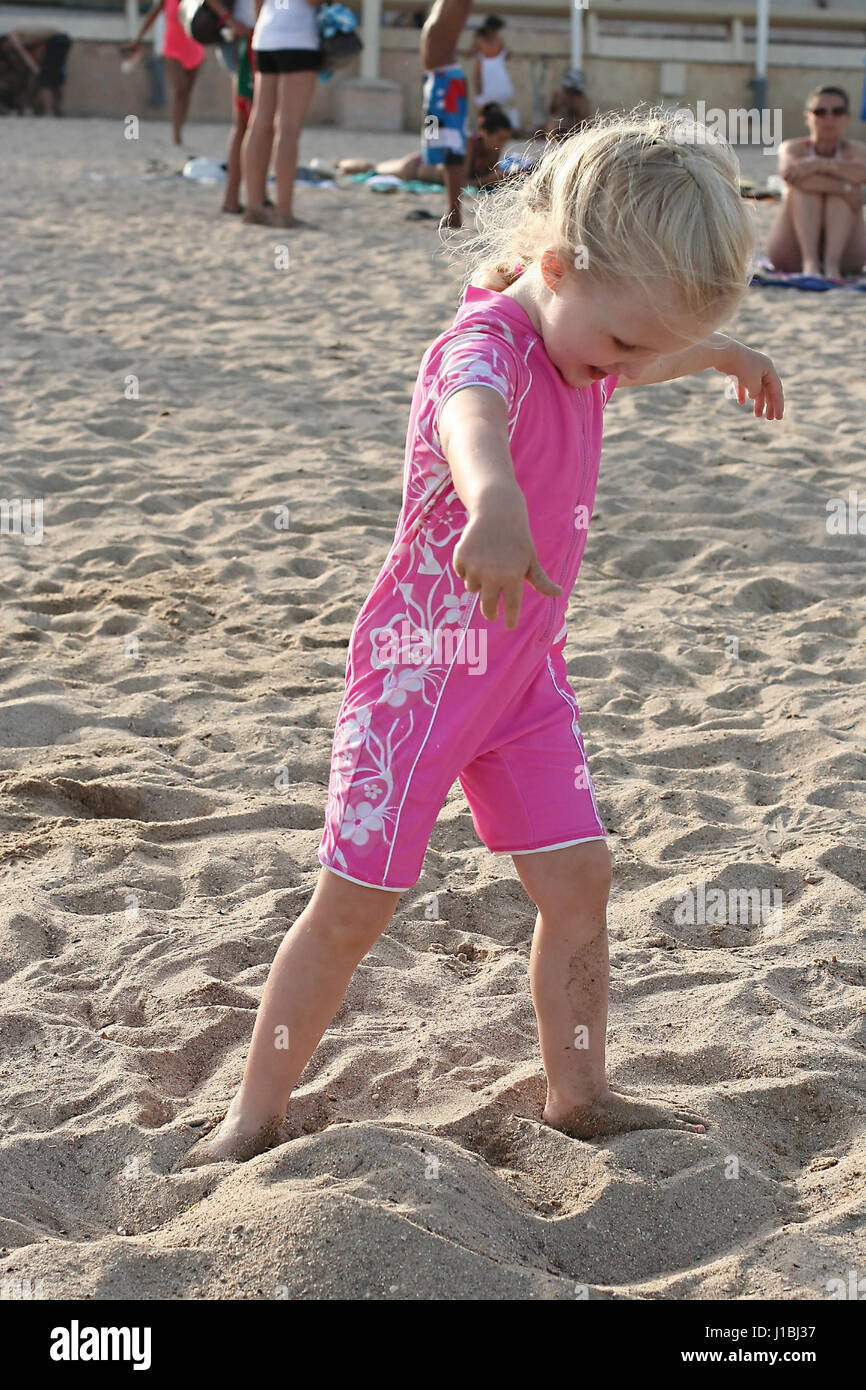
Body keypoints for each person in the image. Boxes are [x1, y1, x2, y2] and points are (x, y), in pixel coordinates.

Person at [181, 111, 785, 1169]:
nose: (626, 369)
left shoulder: (581, 332)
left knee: (578, 881)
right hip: (419, 678)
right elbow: (468, 417)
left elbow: (620, 362)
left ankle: (578, 1092)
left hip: (521, 679)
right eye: (626, 342)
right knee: (353, 907)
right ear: (552, 266)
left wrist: (717, 351)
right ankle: (252, 1114)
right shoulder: (484, 345)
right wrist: (493, 502)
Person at [766, 85, 866, 282]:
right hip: (791, 252)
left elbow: (863, 172)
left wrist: (818, 165)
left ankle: (831, 264)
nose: (829, 118)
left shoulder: (856, 150)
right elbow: (790, 174)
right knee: (803, 190)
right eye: (820, 112)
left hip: (848, 254)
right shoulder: (793, 147)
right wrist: (843, 187)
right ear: (807, 117)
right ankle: (810, 263)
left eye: (837, 112)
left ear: (847, 117)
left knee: (825, 191)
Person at [242, 0, 323, 228]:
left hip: (266, 34)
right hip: (298, 36)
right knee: (288, 127)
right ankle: (283, 211)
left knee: (258, 123)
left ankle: (254, 205)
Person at [335, 102, 513, 190]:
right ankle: (339, 164)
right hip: (415, 168)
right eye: (499, 138)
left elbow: (487, 175)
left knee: (375, 166)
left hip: (424, 171)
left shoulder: (493, 149)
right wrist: (490, 179)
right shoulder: (468, 145)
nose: (502, 143)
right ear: (484, 133)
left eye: (506, 139)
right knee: (373, 168)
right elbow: (460, 183)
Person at [420, 0, 474, 229]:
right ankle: (450, 210)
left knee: (452, 146)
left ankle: (454, 213)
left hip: (446, 84)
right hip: (435, 82)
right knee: (437, 144)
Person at [124, 0, 205, 148]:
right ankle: (176, 136)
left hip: (194, 48)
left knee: (186, 93)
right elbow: (152, 16)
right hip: (172, 48)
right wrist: (138, 39)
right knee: (180, 89)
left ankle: (180, 129)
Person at [208, 0, 258, 214]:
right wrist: (229, 20)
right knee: (248, 123)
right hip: (247, 41)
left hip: (256, 39)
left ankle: (246, 198)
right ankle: (243, 199)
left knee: (253, 124)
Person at [472, 15, 518, 132]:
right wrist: (478, 84)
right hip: (487, 79)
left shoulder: (499, 40)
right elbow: (476, 61)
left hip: (499, 79)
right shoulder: (480, 41)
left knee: (500, 106)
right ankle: (482, 129)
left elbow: (507, 55)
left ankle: (500, 128)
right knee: (484, 107)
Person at [540, 68, 591, 142]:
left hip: (575, 129)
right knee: (551, 125)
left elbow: (584, 118)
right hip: (559, 128)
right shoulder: (559, 95)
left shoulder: (581, 100)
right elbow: (552, 111)